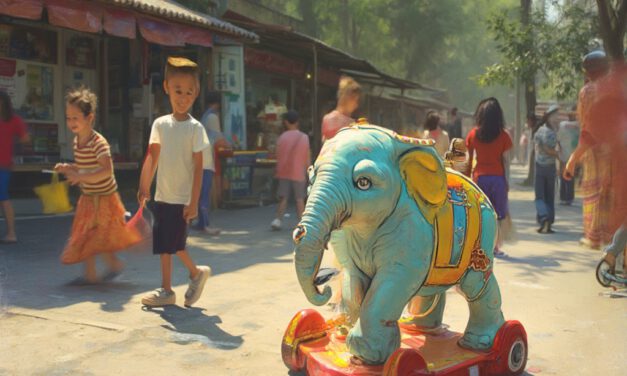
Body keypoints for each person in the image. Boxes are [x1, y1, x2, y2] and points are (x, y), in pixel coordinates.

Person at [138, 57, 212, 307]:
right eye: (178, 90)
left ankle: (196, 273)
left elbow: (199, 168)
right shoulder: (160, 124)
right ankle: (167, 290)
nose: (183, 97)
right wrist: (144, 185)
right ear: (167, 87)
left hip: (182, 199)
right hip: (162, 196)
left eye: (189, 92)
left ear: (196, 93)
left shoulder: (195, 128)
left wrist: (194, 202)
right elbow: (152, 156)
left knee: (175, 243)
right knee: (163, 245)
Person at [55, 87, 140, 283]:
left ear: (89, 118)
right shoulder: (77, 142)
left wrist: (80, 177)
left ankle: (113, 266)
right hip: (88, 198)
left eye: (76, 117)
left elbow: (106, 170)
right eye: (68, 118)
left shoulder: (99, 143)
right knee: (87, 236)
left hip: (105, 199)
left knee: (101, 238)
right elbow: (85, 165)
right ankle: (92, 275)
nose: (71, 122)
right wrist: (69, 167)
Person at [564, 51, 627, 249]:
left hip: (595, 152)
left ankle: (596, 235)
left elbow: (588, 128)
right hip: (618, 150)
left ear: (588, 72)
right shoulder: (618, 87)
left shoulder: (588, 91)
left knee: (598, 190)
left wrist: (573, 159)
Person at [466, 98, 512, 256]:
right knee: (497, 215)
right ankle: (495, 247)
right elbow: (505, 162)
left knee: (481, 213)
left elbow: (469, 160)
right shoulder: (504, 136)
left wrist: (466, 180)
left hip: (479, 179)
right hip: (498, 179)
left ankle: (480, 246)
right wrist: (507, 182)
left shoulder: (473, 134)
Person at [270, 110, 310, 230]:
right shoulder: (304, 137)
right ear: (298, 122)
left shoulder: (282, 137)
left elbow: (277, 155)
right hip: (298, 172)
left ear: (286, 122)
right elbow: (307, 157)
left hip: (284, 172)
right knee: (299, 199)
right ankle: (303, 224)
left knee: (284, 197)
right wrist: (309, 171)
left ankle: (278, 220)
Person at [0, 91, 29, 244]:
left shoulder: (13, 120)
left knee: (3, 197)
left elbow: (25, 138)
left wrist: (11, 147)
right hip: (4, 164)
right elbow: (25, 138)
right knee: (3, 198)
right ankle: (10, 233)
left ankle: (11, 233)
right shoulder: (14, 120)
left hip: (3, 165)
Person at [197, 91, 222, 236]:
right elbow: (218, 139)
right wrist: (231, 145)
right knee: (204, 193)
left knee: (202, 192)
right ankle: (205, 225)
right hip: (206, 160)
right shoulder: (212, 116)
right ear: (217, 104)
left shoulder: (205, 116)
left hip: (201, 158)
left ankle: (201, 223)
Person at [534, 105, 560, 234]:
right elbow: (546, 149)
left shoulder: (541, 130)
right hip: (546, 167)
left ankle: (544, 219)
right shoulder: (551, 132)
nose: (557, 118)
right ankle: (547, 221)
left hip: (542, 166)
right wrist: (557, 155)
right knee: (548, 196)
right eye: (555, 115)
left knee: (541, 196)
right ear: (548, 117)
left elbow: (538, 148)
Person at [322, 76, 361, 142]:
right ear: (346, 97)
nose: (356, 105)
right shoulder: (332, 119)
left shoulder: (352, 122)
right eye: (354, 99)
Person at [556, 106, 579, 205]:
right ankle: (567, 198)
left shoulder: (562, 125)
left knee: (565, 176)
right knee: (569, 176)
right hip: (571, 156)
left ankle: (565, 197)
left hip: (566, 155)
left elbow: (558, 139)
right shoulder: (578, 125)